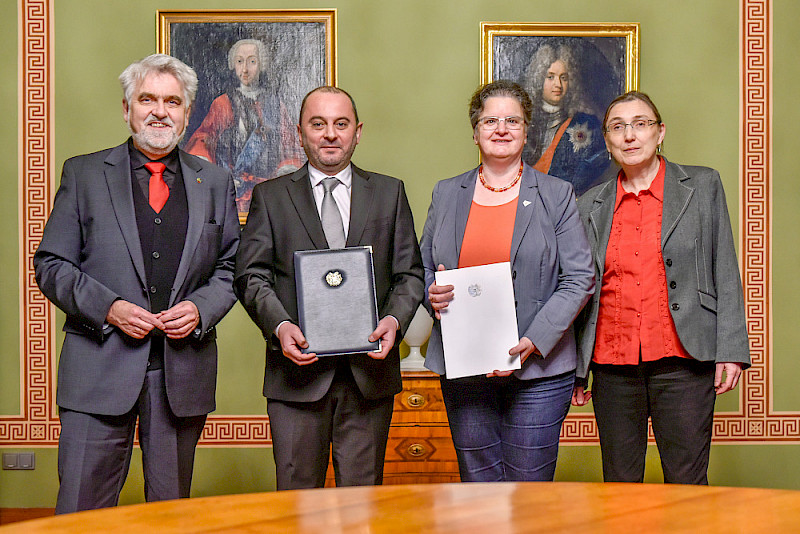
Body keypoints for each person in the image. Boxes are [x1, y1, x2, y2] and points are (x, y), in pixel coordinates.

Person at [33, 54, 240, 513]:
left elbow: (231, 266)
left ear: (188, 113)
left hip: (180, 375)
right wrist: (109, 308)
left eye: (173, 101)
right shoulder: (84, 174)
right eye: (147, 99)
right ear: (126, 108)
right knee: (80, 514)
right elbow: (51, 264)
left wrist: (202, 310)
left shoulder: (216, 182)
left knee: (169, 513)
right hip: (97, 370)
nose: (160, 111)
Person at [234, 86, 424, 490]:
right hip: (295, 379)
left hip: (369, 379)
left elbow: (410, 274)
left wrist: (394, 320)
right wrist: (280, 326)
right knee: (298, 506)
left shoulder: (389, 193)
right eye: (318, 124)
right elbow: (250, 276)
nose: (330, 134)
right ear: (300, 132)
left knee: (361, 508)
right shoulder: (270, 197)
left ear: (358, 132)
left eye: (341, 124)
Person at [572, 91, 751, 484]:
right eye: (618, 127)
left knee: (687, 484)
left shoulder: (702, 185)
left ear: (660, 132)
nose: (630, 135)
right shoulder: (589, 205)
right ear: (607, 140)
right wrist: (576, 368)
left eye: (641, 124)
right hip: (612, 366)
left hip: (684, 359)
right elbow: (579, 289)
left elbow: (725, 266)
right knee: (620, 486)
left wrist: (732, 350)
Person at [420, 80, 595, 482]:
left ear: (527, 130)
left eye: (512, 120)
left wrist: (534, 340)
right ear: (475, 131)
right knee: (478, 485)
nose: (501, 129)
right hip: (464, 367)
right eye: (490, 121)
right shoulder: (446, 193)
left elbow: (580, 276)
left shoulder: (556, 195)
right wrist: (433, 294)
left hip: (538, 370)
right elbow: (425, 267)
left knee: (527, 489)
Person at [184, 39, 304, 213]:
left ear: (262, 65)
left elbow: (289, 146)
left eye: (252, 61)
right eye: (240, 61)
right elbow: (204, 138)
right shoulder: (223, 103)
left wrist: (284, 173)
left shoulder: (276, 105)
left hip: (267, 191)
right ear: (233, 65)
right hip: (233, 190)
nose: (245, 69)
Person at [521, 43, 609, 196]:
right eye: (550, 77)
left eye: (564, 78)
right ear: (538, 79)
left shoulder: (586, 123)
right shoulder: (523, 122)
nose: (558, 84)